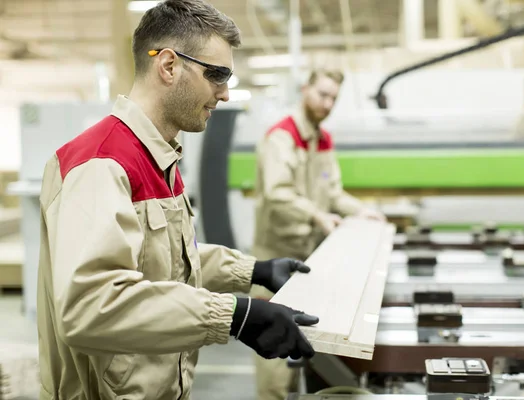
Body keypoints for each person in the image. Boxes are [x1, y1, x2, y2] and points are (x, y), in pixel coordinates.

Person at [36, 1, 319, 399]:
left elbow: (162, 260)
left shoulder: (159, 155)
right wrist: (233, 316)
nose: (223, 94)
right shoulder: (103, 163)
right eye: (217, 75)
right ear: (168, 66)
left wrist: (254, 271)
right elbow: (89, 305)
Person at [250, 69, 387, 400]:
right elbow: (277, 193)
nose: (327, 103)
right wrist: (318, 215)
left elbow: (333, 192)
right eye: (322, 94)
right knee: (274, 364)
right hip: (275, 265)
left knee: (302, 351)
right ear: (305, 89)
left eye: (333, 98)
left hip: (310, 262)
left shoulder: (323, 140)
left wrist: (361, 211)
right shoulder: (281, 138)